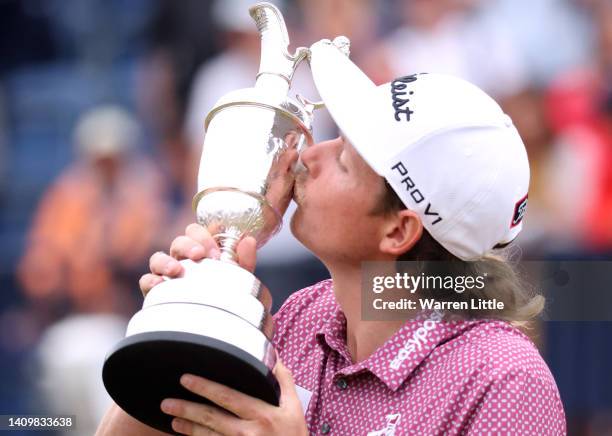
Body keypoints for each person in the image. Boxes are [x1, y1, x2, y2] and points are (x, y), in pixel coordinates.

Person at [96, 41, 566, 435]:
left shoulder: (505, 380)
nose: (312, 156)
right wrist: (187, 326)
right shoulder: (305, 316)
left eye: (344, 159)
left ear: (398, 230)